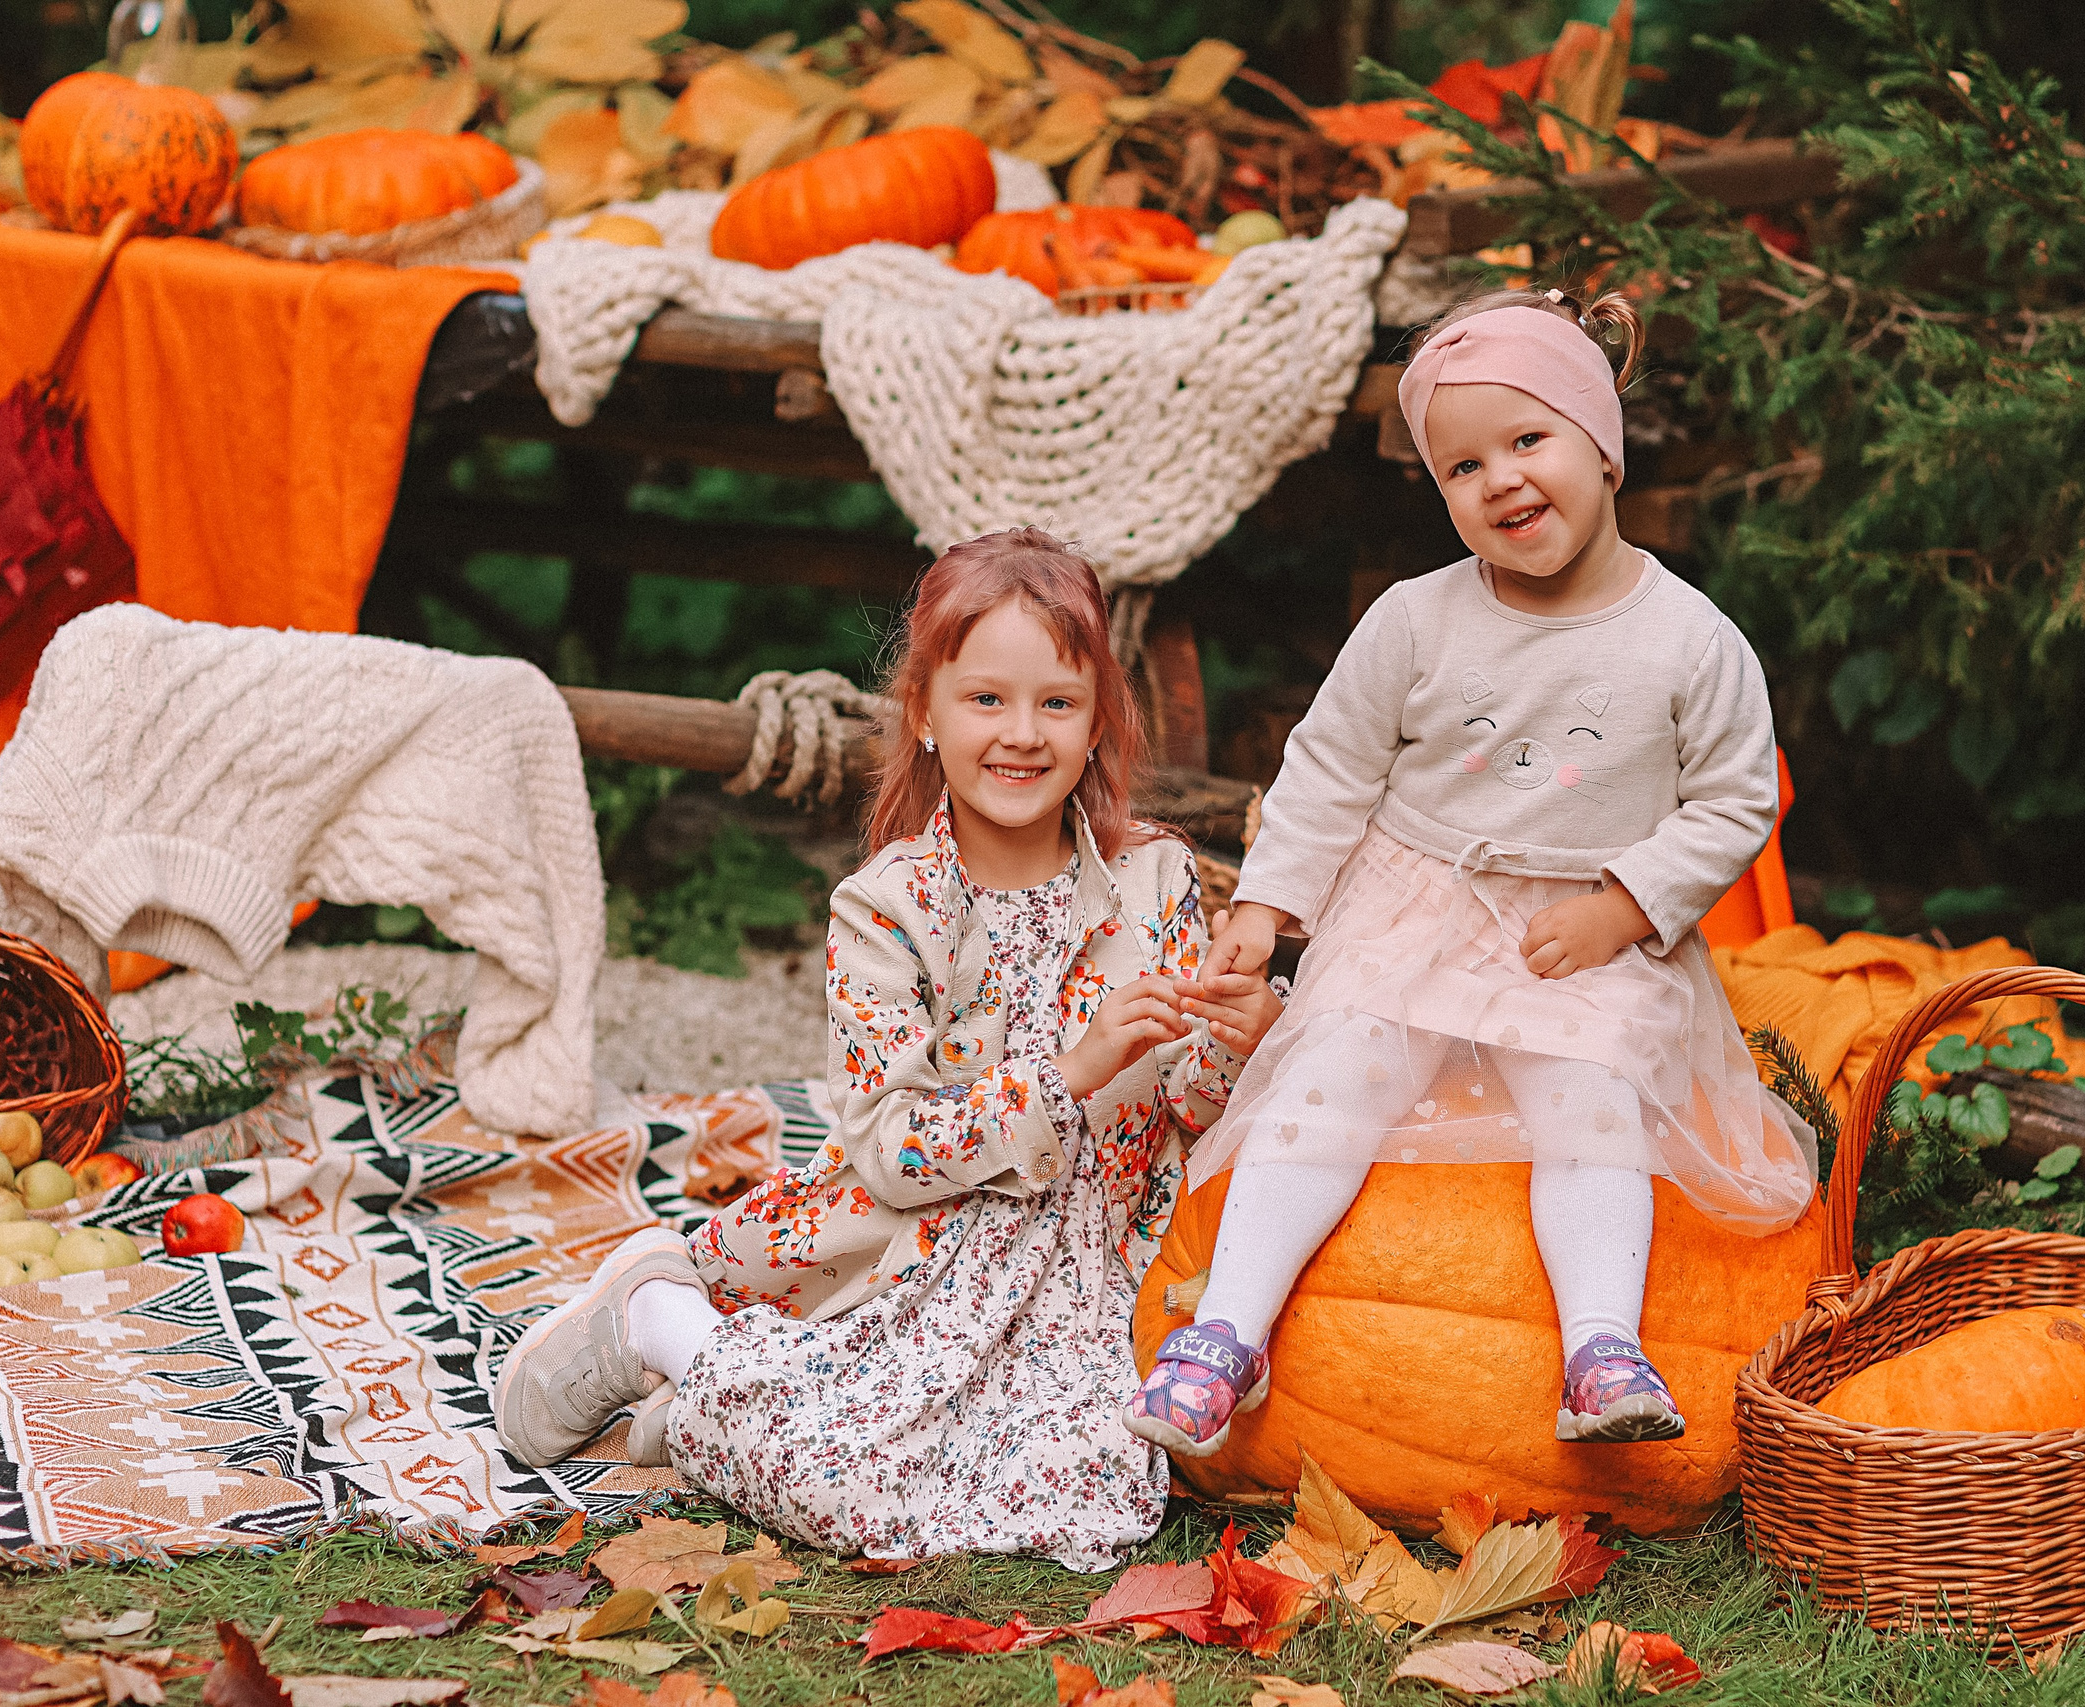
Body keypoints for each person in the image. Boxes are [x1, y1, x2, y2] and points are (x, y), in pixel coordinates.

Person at [492, 527, 1283, 1570]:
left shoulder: (1156, 882)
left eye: (1057, 702)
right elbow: (893, 1149)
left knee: (1095, 1501)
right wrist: (1069, 1073)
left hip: (1089, 1268)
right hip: (923, 1247)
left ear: (1098, 722)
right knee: (854, 1487)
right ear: (924, 715)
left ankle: (697, 1413)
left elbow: (1188, 1104)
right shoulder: (887, 911)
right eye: (986, 699)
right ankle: (661, 1327)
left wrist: (1238, 1039)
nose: (1022, 733)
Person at [1123, 286, 1816, 1459]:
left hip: (1582, 926)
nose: (1498, 479)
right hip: (1419, 903)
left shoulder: (1690, 637)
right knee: (1328, 1080)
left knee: (1587, 1098)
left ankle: (1600, 1348)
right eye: (1461, 467)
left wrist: (1628, 905)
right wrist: (1268, 903)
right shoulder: (1413, 620)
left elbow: (1737, 798)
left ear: (1603, 443)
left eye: (1527, 441)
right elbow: (1330, 767)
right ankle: (1226, 1332)